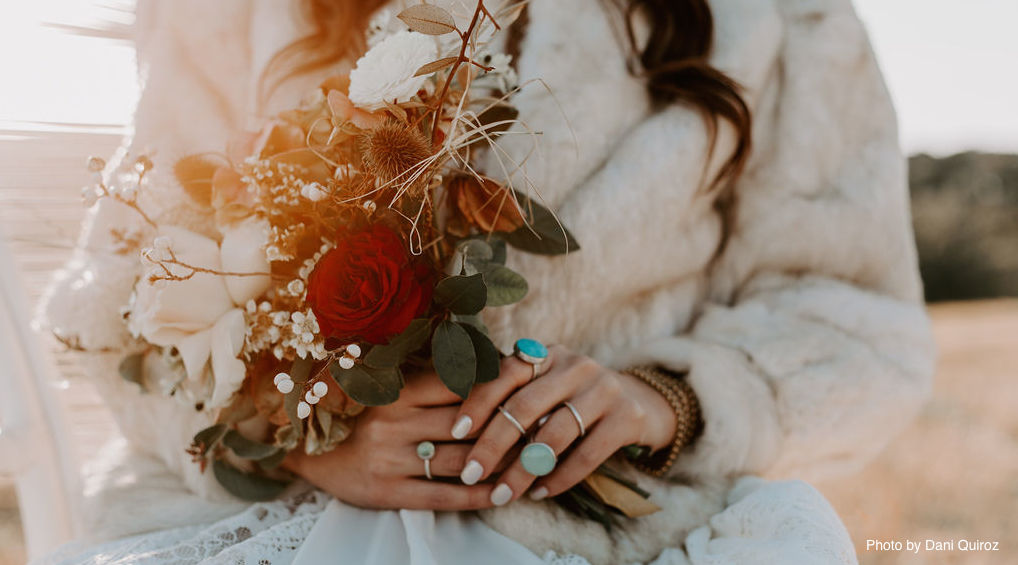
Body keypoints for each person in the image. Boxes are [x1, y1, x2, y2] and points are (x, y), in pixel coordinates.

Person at [39, 0, 936, 563]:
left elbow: (856, 317)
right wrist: (289, 435)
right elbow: (120, 293)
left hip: (610, 522)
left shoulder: (785, 20)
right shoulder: (229, 17)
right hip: (290, 510)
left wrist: (667, 401)